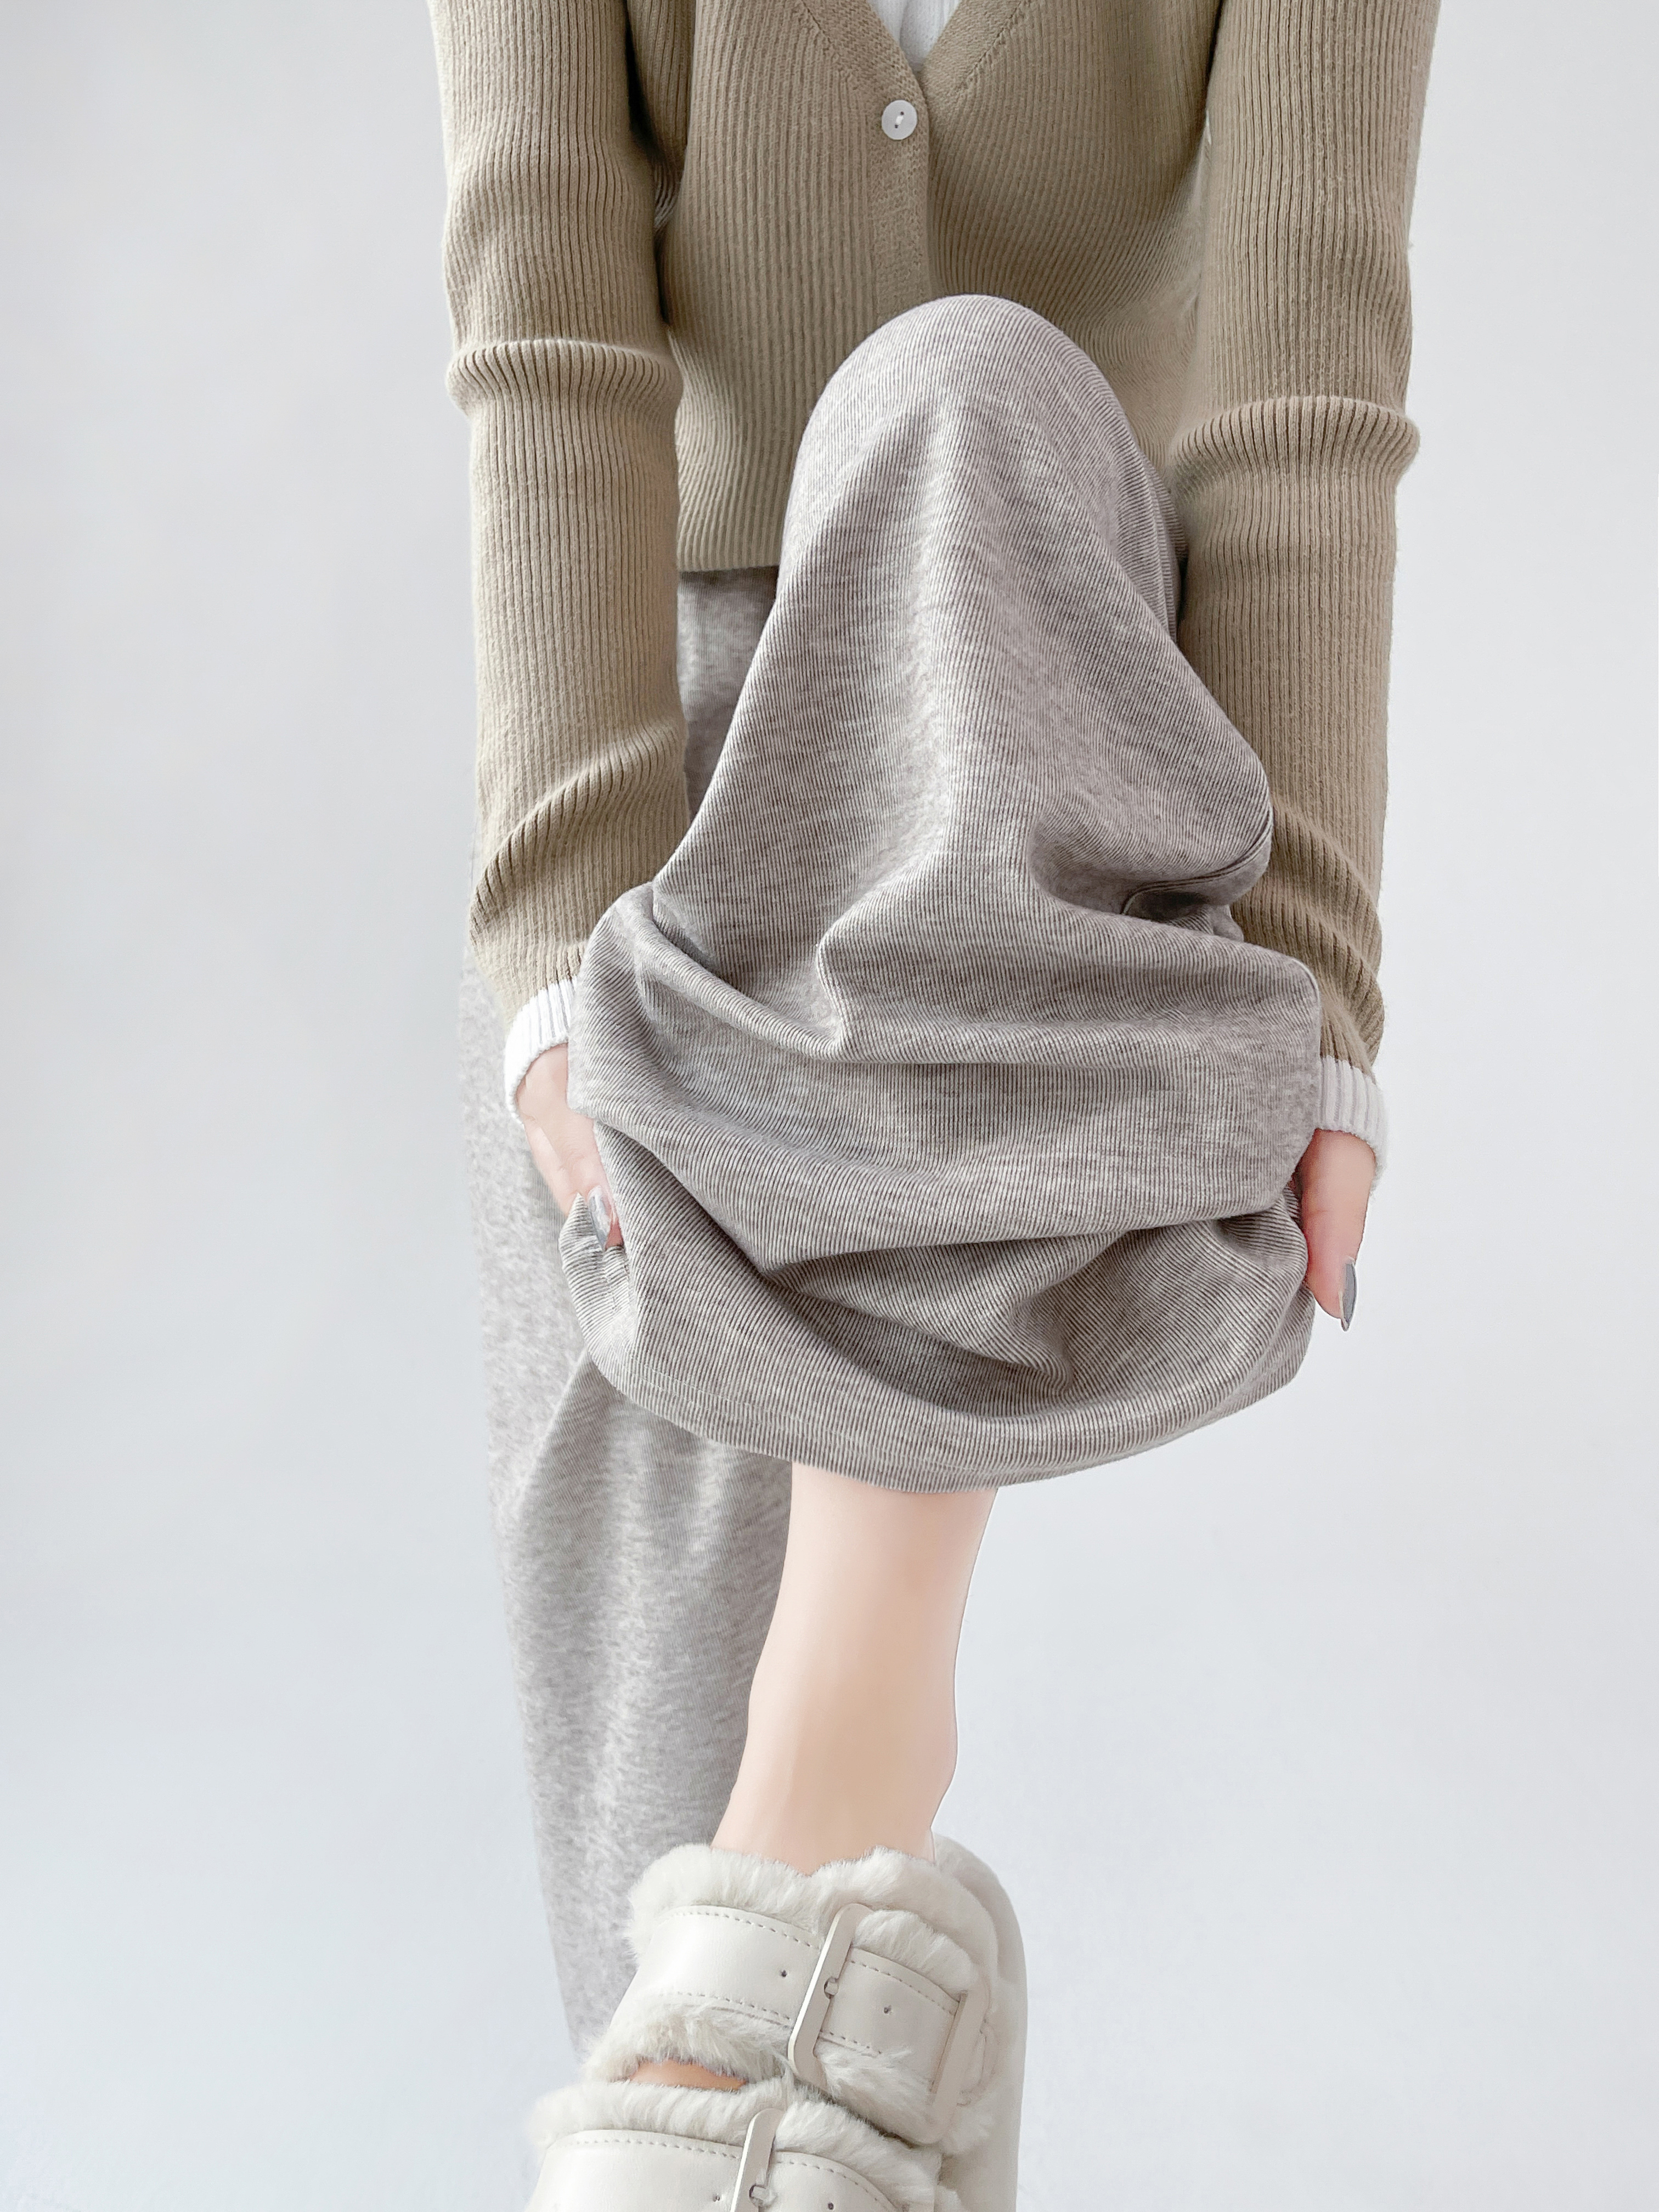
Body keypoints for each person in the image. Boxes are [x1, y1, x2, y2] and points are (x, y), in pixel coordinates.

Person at [427, 0, 1439, 2202]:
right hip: (670, 784)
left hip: (1060, 753)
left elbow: (1303, 382)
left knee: (958, 389)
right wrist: (561, 966)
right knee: (647, 1839)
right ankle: (842, 2042)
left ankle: (841, 1763)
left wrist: (1318, 982)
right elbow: (547, 323)